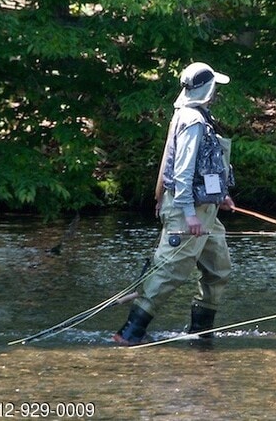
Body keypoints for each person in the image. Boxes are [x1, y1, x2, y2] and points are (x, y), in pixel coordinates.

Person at [113, 62, 235, 346]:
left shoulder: (198, 117)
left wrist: (220, 196)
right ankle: (129, 333)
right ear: (207, 90)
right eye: (214, 87)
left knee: (219, 269)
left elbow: (204, 167)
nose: (216, 92)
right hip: (188, 212)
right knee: (169, 273)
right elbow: (182, 170)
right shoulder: (192, 120)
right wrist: (189, 214)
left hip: (207, 211)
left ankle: (200, 334)